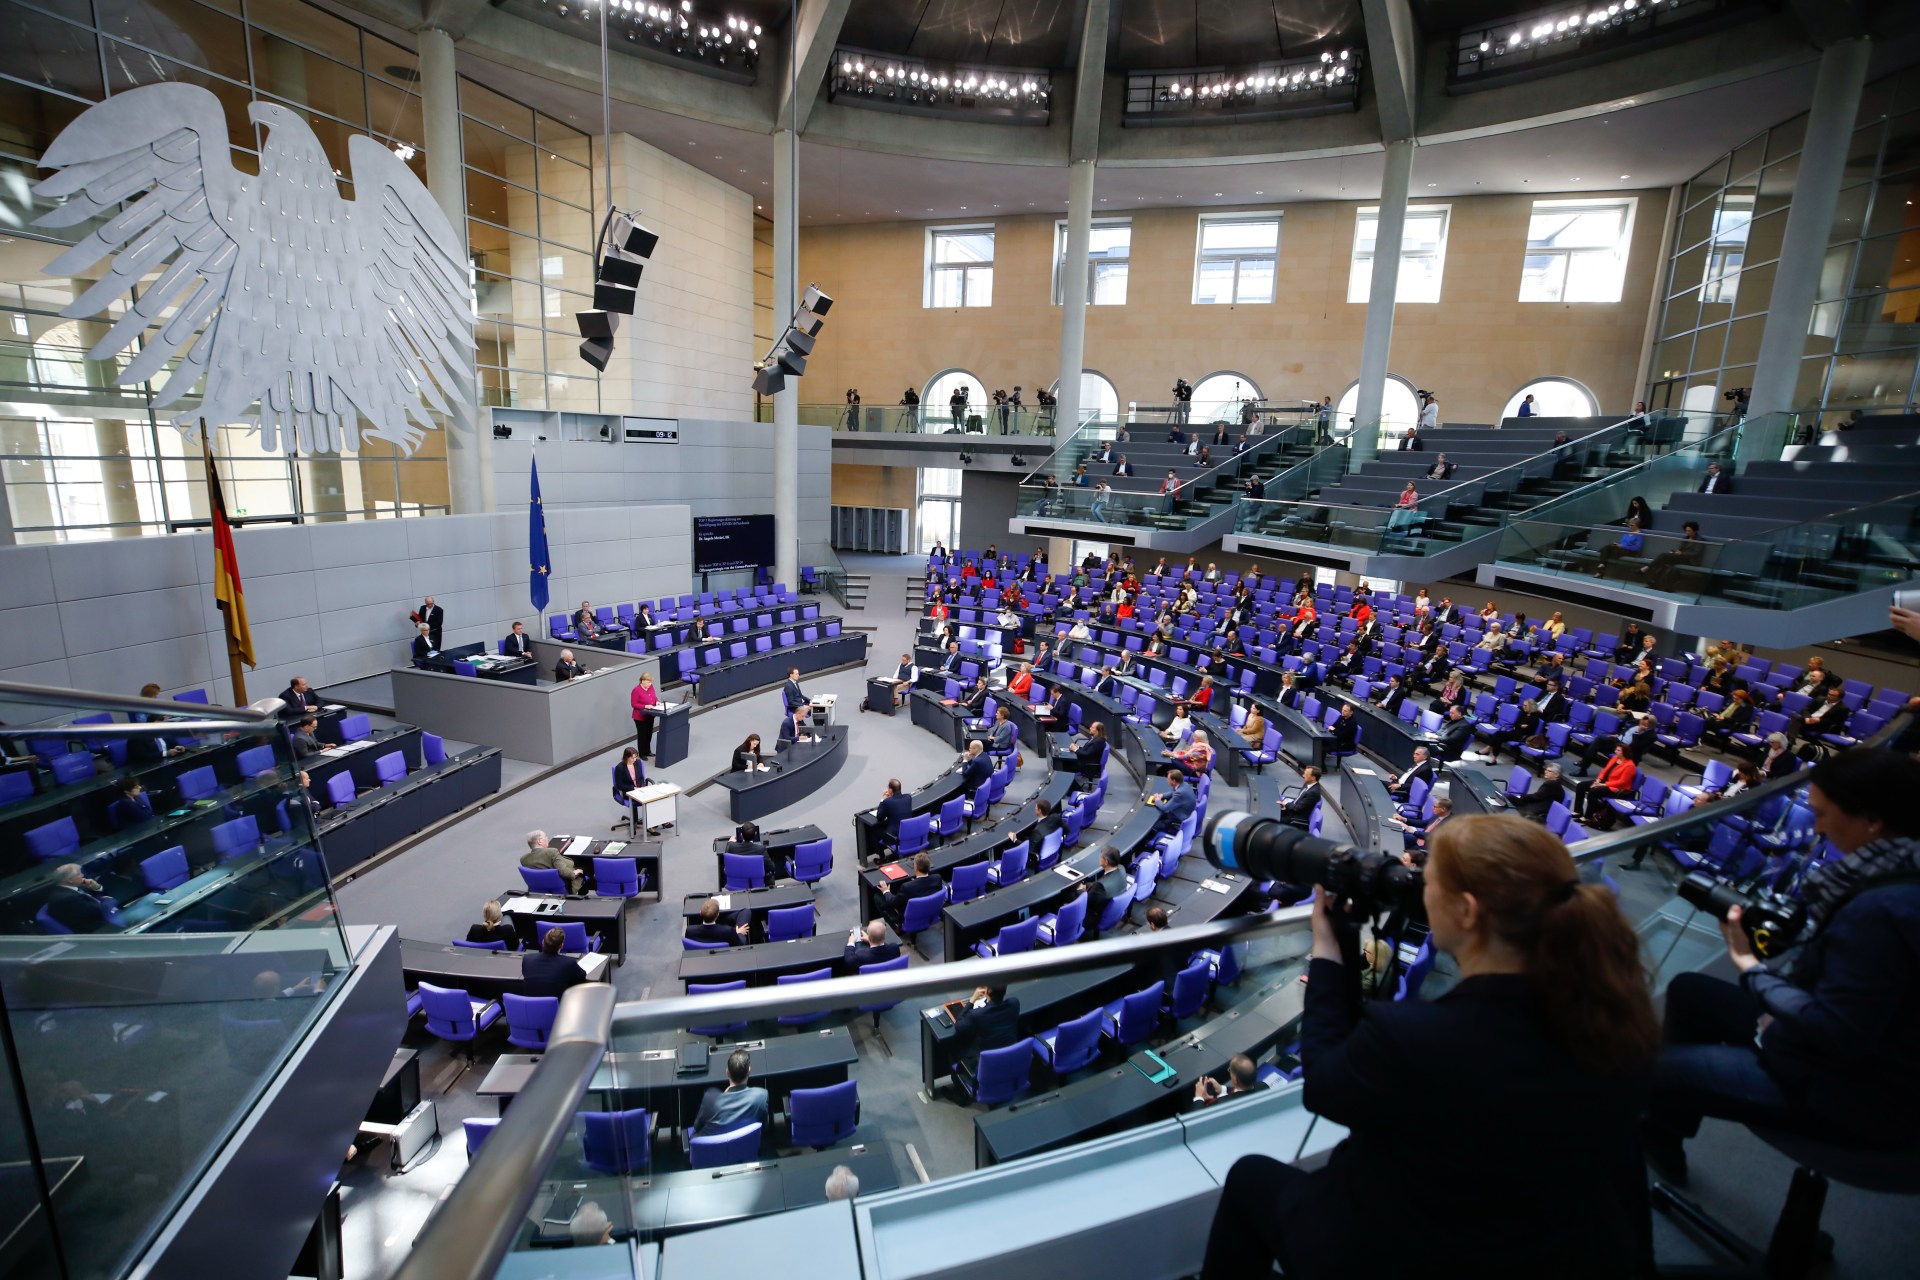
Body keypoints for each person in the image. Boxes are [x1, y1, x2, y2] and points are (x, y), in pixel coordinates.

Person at [1198, 816, 1657, 1280]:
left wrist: (1328, 950)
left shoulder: (1417, 1037)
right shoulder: (1616, 1017)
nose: (1417, 890)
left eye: (1428, 881)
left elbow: (1325, 1087)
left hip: (1421, 1249)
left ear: (1467, 912)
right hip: (1552, 1241)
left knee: (1248, 1179)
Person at [1645, 750, 1920, 1183]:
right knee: (1690, 991)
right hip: (1868, 1046)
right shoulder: (1902, 867)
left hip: (1855, 1092)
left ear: (1872, 820)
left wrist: (1749, 966)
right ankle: (1663, 1140)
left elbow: (1835, 1032)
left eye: (1823, 814)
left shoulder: (1882, 909)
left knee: (1646, 1071)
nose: (1817, 828)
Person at [693, 1049, 771, 1138]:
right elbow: (763, 1127)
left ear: (727, 1072)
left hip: (711, 1150)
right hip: (746, 1147)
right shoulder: (761, 1096)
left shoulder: (710, 1098)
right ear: (749, 1071)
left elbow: (697, 1126)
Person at [952, 985, 1022, 1074]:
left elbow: (959, 1026)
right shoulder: (1014, 1004)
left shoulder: (977, 1014)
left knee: (953, 1052)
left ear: (987, 992)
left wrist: (972, 1000)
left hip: (987, 1070)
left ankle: (958, 1084)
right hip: (1009, 1061)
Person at [43, 864, 119, 933]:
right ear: (70, 880)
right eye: (79, 874)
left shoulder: (71, 887)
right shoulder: (68, 898)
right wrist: (109, 900)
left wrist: (97, 887)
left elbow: (96, 899)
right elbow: (101, 910)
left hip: (103, 919)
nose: (83, 875)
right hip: (99, 930)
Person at [520, 926, 587, 998]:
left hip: (531, 1008)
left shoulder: (527, 959)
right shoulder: (569, 963)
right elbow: (582, 976)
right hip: (558, 1008)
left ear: (543, 942)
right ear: (561, 946)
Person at [1082, 845, 1130, 937]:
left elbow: (1086, 902)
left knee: (1071, 894)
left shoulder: (1100, 887)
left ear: (1106, 861)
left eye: (1101, 857)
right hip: (1111, 904)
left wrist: (1079, 889)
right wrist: (1089, 886)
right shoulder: (1121, 868)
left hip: (1095, 916)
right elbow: (1102, 883)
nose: (1099, 858)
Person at [884, 853, 945, 923]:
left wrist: (886, 891)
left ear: (915, 867)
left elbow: (893, 902)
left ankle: (896, 927)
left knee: (878, 898)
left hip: (912, 920)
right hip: (931, 913)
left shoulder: (906, 887)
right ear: (929, 866)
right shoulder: (937, 878)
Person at [520, 829, 585, 892]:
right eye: (546, 837)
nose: (548, 839)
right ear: (539, 841)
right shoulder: (552, 852)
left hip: (538, 890)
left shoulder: (523, 859)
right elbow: (565, 873)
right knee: (585, 869)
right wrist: (575, 872)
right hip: (562, 889)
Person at [1145, 767, 1196, 839]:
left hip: (1179, 818)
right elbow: (1173, 792)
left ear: (1174, 781)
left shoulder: (1180, 793)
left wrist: (1157, 800)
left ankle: (1148, 839)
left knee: (1153, 825)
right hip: (1186, 812)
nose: (1167, 781)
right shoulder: (1184, 784)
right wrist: (1161, 795)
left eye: (1168, 779)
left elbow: (1165, 808)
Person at [1194, 1054, 1260, 1108]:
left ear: (1235, 1079)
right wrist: (1221, 1089)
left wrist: (1199, 1097)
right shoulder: (1263, 1086)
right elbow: (1240, 1093)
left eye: (1230, 1070)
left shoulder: (1222, 1105)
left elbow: (1198, 1119)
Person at [611, 746, 647, 828]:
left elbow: (641, 778)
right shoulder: (620, 768)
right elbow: (619, 785)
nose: (635, 759)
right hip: (627, 791)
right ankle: (650, 827)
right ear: (627, 757)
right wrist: (633, 788)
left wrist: (641, 786)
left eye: (636, 757)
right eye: (633, 758)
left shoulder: (637, 763)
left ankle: (660, 822)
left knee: (653, 798)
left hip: (639, 789)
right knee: (647, 800)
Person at [629, 672, 660, 757]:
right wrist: (645, 706)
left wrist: (657, 701)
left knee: (649, 734)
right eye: (648, 682)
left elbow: (654, 697)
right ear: (643, 681)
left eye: (650, 682)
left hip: (650, 715)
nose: (650, 684)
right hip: (640, 717)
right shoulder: (636, 690)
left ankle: (648, 751)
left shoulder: (650, 687)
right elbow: (634, 704)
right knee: (642, 735)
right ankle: (642, 754)